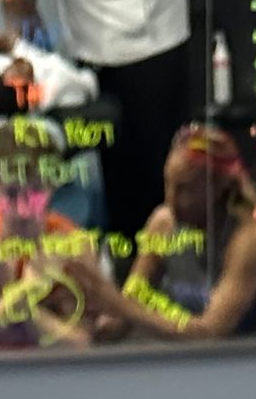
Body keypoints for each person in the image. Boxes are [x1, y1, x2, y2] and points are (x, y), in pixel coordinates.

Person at [66, 125, 256, 340]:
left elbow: (209, 334)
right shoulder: (163, 225)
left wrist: (119, 305)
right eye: (168, 184)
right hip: (188, 370)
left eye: (185, 189)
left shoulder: (251, 242)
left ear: (218, 188)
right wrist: (78, 304)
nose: (171, 200)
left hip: (253, 369)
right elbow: (120, 320)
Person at [10, 0, 191, 249]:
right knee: (133, 198)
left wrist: (34, 54)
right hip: (100, 47)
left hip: (150, 45)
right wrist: (34, 56)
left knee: (151, 196)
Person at [0, 116, 112, 349]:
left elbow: (79, 343)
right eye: (11, 193)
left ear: (53, 185)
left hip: (51, 375)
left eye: (35, 192)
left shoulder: (74, 244)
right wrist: (25, 299)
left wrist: (11, 298)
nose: (23, 209)